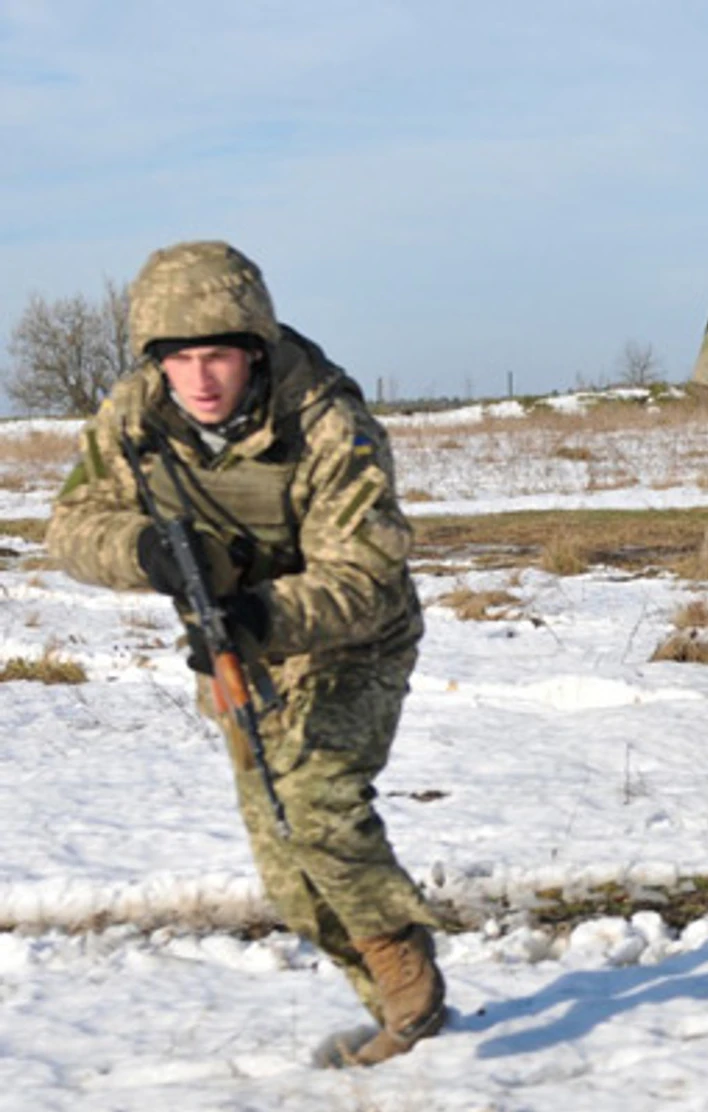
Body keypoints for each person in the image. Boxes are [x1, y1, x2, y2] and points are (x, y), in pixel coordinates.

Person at [47, 241, 445, 1067]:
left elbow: (366, 576)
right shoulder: (137, 414)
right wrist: (145, 552)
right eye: (180, 358)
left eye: (218, 355)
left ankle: (409, 990)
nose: (199, 379)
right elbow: (73, 525)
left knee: (318, 803)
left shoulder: (328, 421)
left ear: (254, 350)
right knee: (284, 863)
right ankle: (397, 1012)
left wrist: (257, 613)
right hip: (239, 648)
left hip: (349, 638)